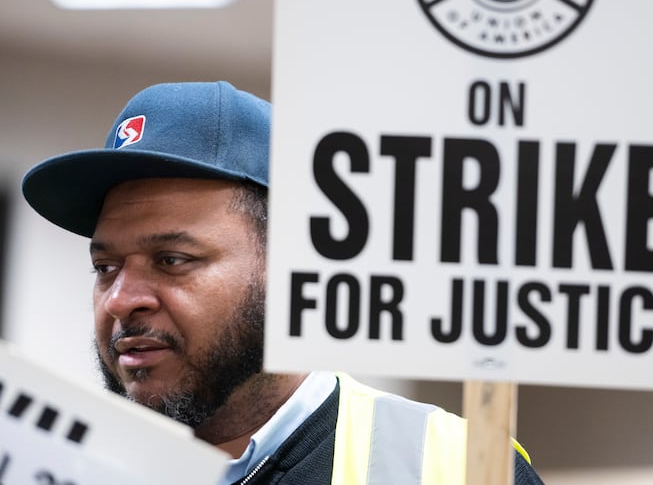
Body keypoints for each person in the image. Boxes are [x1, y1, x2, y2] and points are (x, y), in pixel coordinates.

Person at [21, 81, 544, 485]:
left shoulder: (456, 468)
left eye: (173, 259)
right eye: (105, 267)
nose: (121, 299)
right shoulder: (47, 461)